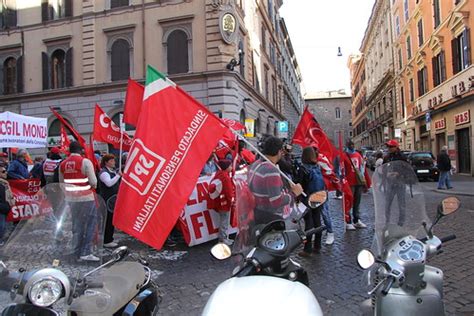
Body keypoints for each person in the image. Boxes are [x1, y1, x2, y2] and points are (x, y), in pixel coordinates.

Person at [248, 136, 303, 224]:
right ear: (279, 151)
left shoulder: (256, 164)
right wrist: (294, 193)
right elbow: (276, 201)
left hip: (258, 211)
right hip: (271, 217)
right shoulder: (271, 170)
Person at [59, 141, 100, 262]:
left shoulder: (63, 164)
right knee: (90, 224)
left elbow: (61, 183)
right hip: (86, 197)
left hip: (71, 199)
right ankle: (86, 251)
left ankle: (76, 249)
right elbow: (93, 182)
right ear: (81, 150)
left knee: (77, 225)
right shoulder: (85, 162)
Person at [295, 146, 325, 256]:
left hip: (308, 197)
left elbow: (299, 185)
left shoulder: (303, 169)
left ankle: (307, 249)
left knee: (309, 223)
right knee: (318, 221)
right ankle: (317, 246)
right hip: (319, 196)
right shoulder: (317, 167)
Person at [342, 140, 371, 230]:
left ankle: (356, 219)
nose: (351, 146)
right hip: (349, 183)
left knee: (357, 202)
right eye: (349, 144)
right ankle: (348, 220)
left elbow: (362, 168)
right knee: (348, 202)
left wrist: (365, 182)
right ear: (347, 145)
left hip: (358, 181)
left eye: (352, 144)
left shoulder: (358, 155)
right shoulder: (343, 156)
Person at [382, 140, 408, 226]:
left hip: (400, 183)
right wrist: (386, 174)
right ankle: (387, 221)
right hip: (390, 183)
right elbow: (383, 168)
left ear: (396, 147)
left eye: (391, 147)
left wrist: (398, 173)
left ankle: (401, 223)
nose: (389, 148)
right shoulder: (387, 157)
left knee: (402, 205)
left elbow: (408, 169)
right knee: (387, 204)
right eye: (388, 147)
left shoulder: (402, 157)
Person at [98, 154, 121, 248]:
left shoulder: (112, 171)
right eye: (111, 161)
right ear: (106, 162)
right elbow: (109, 183)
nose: (113, 162)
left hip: (112, 199)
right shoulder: (104, 173)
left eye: (114, 160)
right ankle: (107, 240)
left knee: (111, 219)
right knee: (108, 220)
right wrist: (118, 176)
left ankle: (109, 238)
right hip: (107, 199)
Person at [209, 159, 234, 245]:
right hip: (225, 203)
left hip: (219, 202)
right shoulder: (225, 177)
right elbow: (229, 191)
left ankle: (223, 238)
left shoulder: (219, 174)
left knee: (223, 220)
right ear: (226, 167)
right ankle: (224, 239)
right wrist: (232, 200)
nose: (231, 167)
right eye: (230, 166)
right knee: (225, 221)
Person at [0, 165, 14, 243]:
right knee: (1, 227)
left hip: (5, 208)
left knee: (4, 227)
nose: (6, 173)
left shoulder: (5, 183)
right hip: (2, 209)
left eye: (5, 171)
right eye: (3, 171)